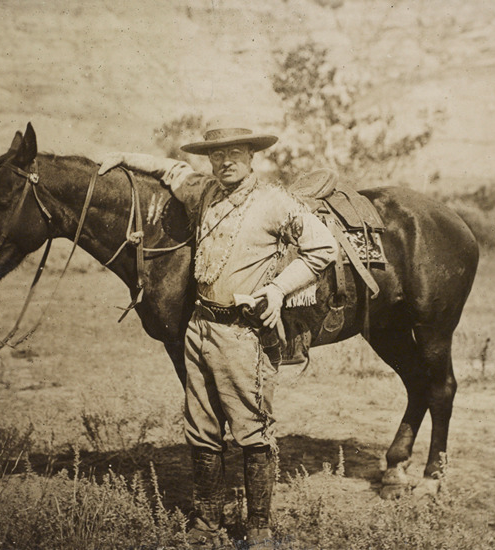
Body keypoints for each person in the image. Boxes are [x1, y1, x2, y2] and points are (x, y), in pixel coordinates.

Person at [98, 123, 337, 548]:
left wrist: (280, 289)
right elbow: (170, 171)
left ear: (251, 157)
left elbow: (323, 248)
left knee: (252, 431)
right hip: (199, 329)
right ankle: (206, 525)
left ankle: (259, 531)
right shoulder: (205, 193)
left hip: (243, 334)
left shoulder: (273, 202)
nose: (225, 162)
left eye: (234, 154)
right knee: (201, 428)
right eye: (216, 156)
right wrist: (123, 158)